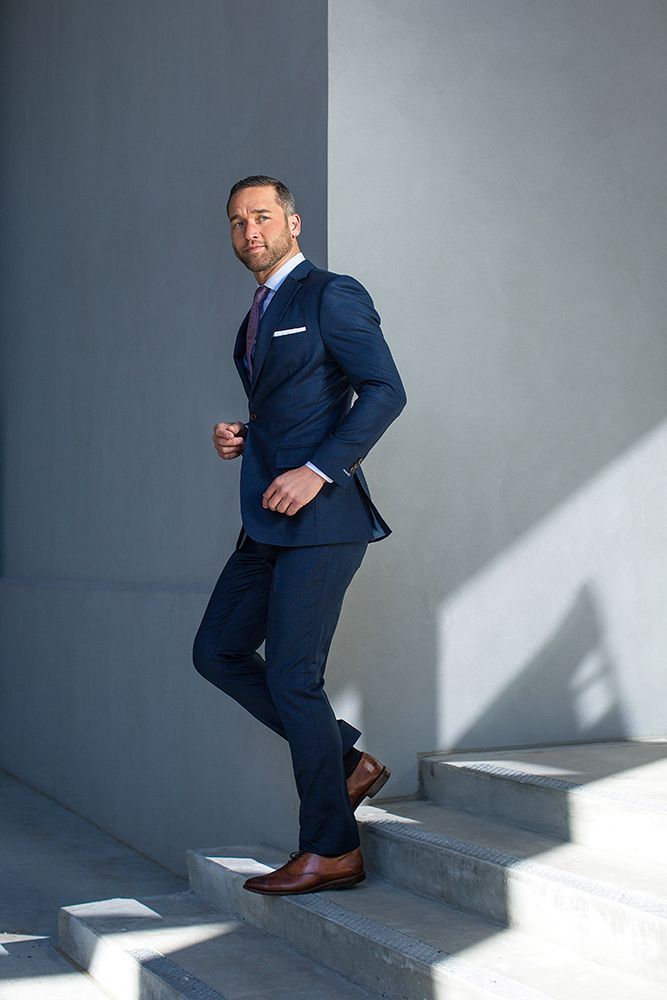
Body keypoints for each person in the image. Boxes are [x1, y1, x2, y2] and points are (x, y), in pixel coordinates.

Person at [192, 175, 406, 895]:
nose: (248, 231)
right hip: (268, 517)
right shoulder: (258, 312)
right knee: (217, 651)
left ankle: (332, 849)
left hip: (322, 518)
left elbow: (385, 390)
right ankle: (348, 763)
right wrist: (243, 435)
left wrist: (317, 470)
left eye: (261, 216)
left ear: (293, 222)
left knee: (291, 675)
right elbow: (293, 402)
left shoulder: (331, 294)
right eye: (236, 221)